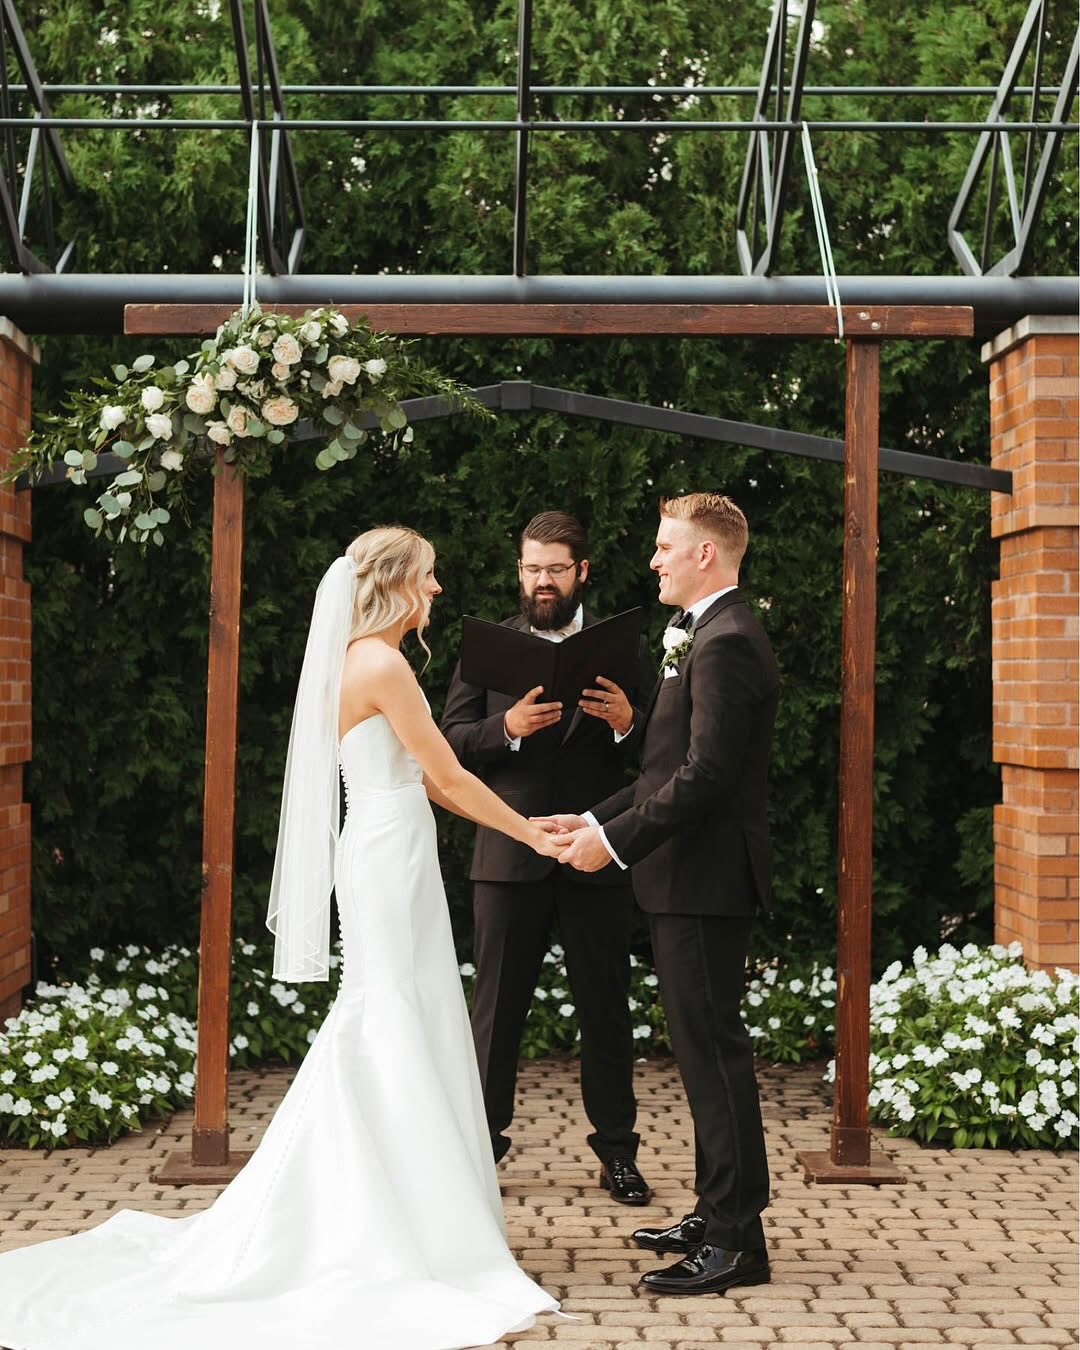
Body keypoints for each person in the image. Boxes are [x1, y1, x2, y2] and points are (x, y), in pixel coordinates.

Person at [0, 526, 567, 1350]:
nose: (439, 591)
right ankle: (388, 1222)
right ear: (398, 584)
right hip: (387, 854)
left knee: (389, 1013)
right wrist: (530, 830)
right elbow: (445, 776)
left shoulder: (354, 660)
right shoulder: (381, 663)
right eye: (431, 578)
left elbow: (430, 780)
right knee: (383, 1018)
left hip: (384, 848)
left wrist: (515, 824)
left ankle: (392, 1206)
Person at [538, 493, 779, 1296]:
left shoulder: (728, 641)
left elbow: (706, 777)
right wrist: (594, 816)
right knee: (700, 1054)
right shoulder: (704, 634)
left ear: (706, 555)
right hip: (681, 878)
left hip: (705, 881)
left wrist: (608, 845)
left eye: (666, 547)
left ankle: (739, 1243)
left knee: (714, 1057)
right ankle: (715, 1215)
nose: (654, 560)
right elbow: (662, 769)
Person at [441, 511, 652, 1204]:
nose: (542, 580)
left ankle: (618, 1153)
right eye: (532, 568)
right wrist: (505, 729)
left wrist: (627, 724)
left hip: (596, 849)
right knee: (496, 1010)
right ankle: (479, 1148)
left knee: (606, 1007)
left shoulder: (623, 645)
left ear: (581, 571)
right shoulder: (491, 646)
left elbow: (662, 749)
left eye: (556, 569)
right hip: (509, 849)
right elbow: (449, 742)